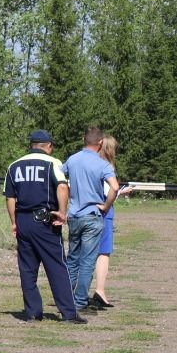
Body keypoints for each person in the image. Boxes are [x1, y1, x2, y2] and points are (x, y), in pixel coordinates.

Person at [4, 129, 85, 323]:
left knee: (27, 268)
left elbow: (10, 197)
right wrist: (63, 213)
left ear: (31, 145)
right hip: (45, 220)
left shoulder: (14, 166)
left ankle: (32, 312)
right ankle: (68, 313)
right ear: (49, 146)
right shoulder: (53, 163)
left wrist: (14, 222)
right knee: (57, 266)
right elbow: (62, 186)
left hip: (23, 220)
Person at [64, 125, 119, 315]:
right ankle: (80, 301)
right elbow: (114, 187)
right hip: (92, 216)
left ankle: (65, 298)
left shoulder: (72, 160)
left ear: (83, 140)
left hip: (73, 215)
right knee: (87, 261)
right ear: (100, 143)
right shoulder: (102, 164)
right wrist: (105, 206)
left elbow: (60, 181)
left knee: (72, 258)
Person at [88, 134, 126, 309]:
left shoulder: (88, 164)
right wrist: (120, 193)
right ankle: (100, 290)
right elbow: (109, 191)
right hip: (104, 212)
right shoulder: (106, 167)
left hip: (85, 211)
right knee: (103, 253)